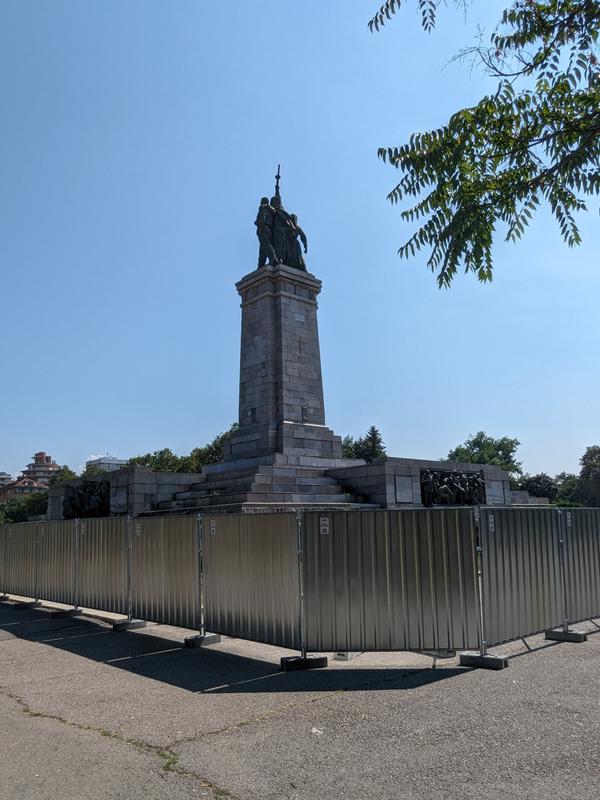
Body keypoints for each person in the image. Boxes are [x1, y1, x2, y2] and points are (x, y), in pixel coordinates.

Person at [255, 197, 278, 268]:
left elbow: (262, 217)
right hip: (269, 229)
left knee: (266, 245)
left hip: (263, 228)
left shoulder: (263, 207)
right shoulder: (271, 210)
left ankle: (273, 259)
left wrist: (260, 228)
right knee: (262, 247)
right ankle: (261, 264)